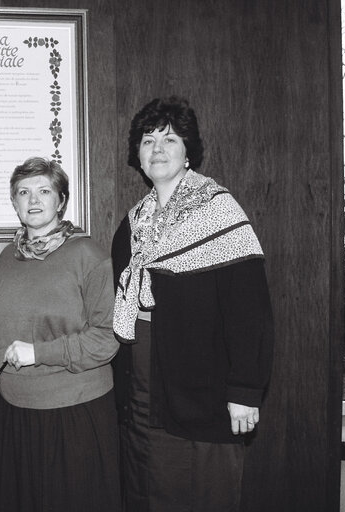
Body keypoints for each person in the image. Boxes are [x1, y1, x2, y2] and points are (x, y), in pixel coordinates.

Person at [112, 97, 274, 512]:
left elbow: (249, 310)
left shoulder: (220, 211)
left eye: (170, 139)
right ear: (138, 155)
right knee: (152, 492)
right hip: (146, 386)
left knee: (203, 493)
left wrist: (245, 390)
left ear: (188, 152)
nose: (158, 149)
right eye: (148, 140)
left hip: (204, 389)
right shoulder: (132, 224)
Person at [0, 157, 121, 512]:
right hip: (16, 412)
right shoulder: (7, 258)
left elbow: (108, 339)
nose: (33, 200)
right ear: (14, 202)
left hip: (75, 413)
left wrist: (40, 353)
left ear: (61, 200)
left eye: (44, 191)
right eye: (23, 192)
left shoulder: (87, 255)